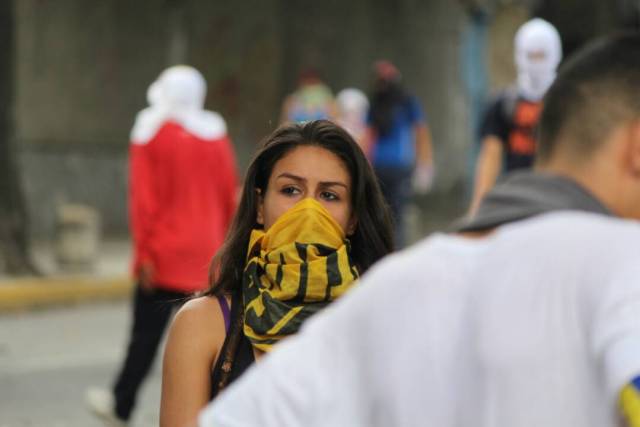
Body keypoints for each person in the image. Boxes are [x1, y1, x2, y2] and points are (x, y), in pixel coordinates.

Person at [199, 33, 640, 427]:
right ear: (636, 148)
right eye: (291, 190)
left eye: (330, 195)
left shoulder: (388, 290)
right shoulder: (624, 265)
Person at [159, 120, 394, 427]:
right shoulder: (203, 325)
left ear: (353, 220)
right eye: (291, 190)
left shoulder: (386, 324)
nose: (308, 211)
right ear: (260, 206)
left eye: (329, 196)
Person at [86, 65, 238, 426]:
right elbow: (228, 197)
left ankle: (121, 405)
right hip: (209, 256)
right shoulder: (216, 135)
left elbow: (143, 202)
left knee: (145, 338)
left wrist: (144, 255)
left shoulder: (149, 132)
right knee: (213, 345)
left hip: (164, 255)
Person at [469, 18, 562, 214]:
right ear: (520, 55)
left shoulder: (568, 101)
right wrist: (479, 205)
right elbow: (491, 154)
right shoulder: (503, 103)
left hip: (558, 196)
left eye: (542, 56)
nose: (536, 63)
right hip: (516, 196)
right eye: (531, 55)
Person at [365, 60, 434, 247]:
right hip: (394, 165)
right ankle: (393, 252)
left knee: (387, 213)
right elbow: (421, 131)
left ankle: (389, 252)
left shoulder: (395, 102)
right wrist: (425, 163)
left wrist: (425, 162)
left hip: (387, 165)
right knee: (396, 215)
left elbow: (368, 137)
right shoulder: (400, 101)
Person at [335, 87, 369, 153]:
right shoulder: (337, 129)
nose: (353, 116)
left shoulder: (363, 132)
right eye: (350, 112)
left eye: (356, 112)